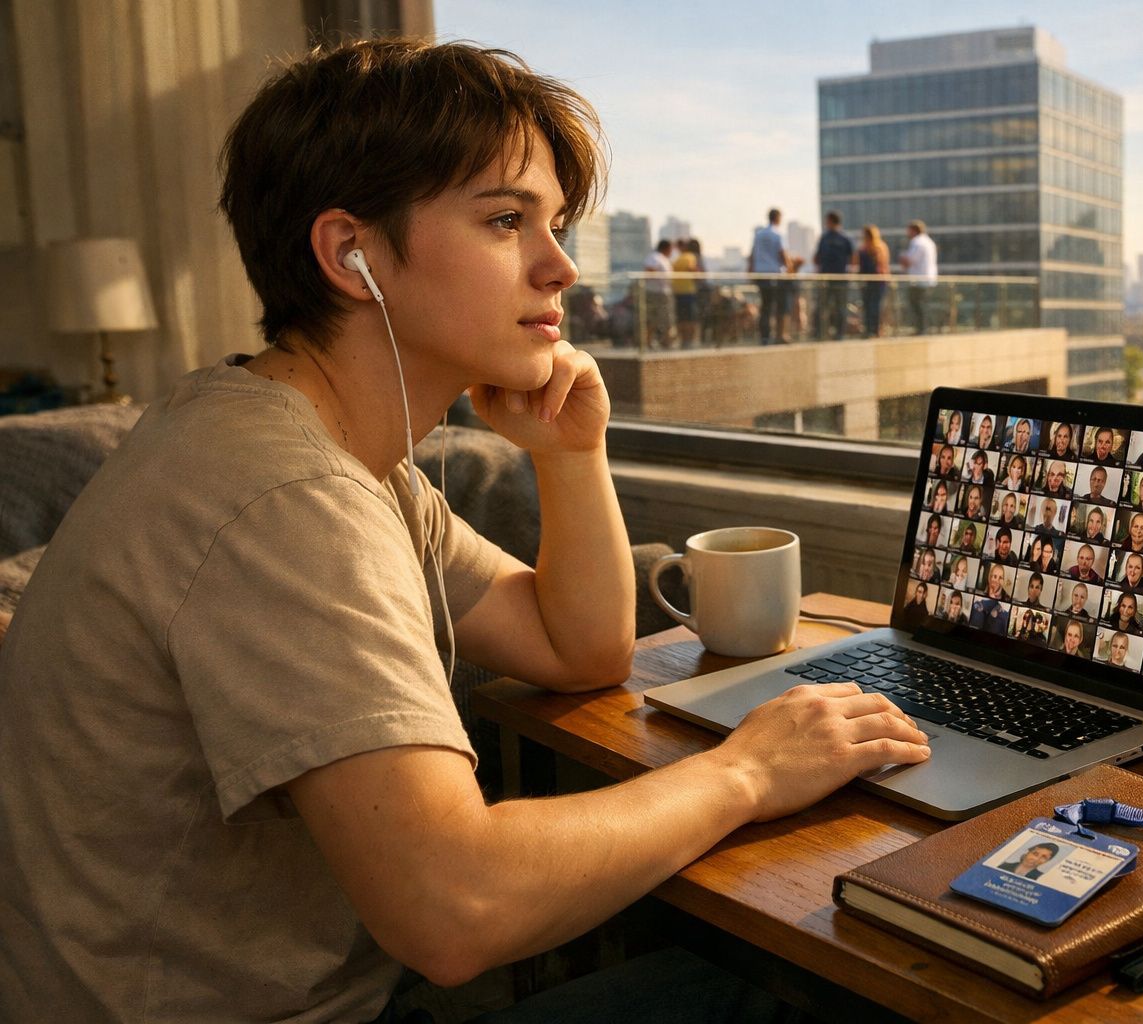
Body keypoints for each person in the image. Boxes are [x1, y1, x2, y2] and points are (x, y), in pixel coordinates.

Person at [0, 39, 934, 1023]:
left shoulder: (323, 450)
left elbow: (577, 647)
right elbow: (455, 908)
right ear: (350, 254)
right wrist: (747, 771)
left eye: (555, 224)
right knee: (809, 996)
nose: (560, 266)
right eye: (505, 220)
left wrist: (570, 454)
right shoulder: (284, 496)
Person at [749, 207, 789, 344]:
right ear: (778, 218)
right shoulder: (778, 235)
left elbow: (752, 255)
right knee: (779, 306)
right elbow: (783, 254)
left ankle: (764, 337)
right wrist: (789, 268)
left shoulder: (759, 235)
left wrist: (751, 272)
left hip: (761, 274)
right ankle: (779, 335)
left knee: (765, 307)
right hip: (774, 275)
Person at [812, 210, 854, 340]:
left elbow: (853, 257)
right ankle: (825, 333)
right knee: (826, 306)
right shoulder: (839, 238)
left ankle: (831, 334)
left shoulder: (836, 238)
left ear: (830, 221)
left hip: (836, 278)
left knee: (835, 307)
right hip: (831, 278)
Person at [899, 219, 938, 334]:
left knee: (917, 305)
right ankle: (924, 328)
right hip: (928, 278)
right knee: (922, 304)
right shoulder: (929, 242)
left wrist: (902, 258)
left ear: (914, 230)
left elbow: (910, 260)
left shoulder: (917, 242)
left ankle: (921, 329)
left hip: (918, 280)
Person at [642, 238, 676, 348]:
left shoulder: (664, 259)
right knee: (653, 318)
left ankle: (666, 341)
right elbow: (649, 270)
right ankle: (649, 342)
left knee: (665, 318)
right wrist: (659, 279)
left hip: (663, 292)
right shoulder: (654, 257)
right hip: (655, 293)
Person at [857, 224, 890, 338]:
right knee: (867, 307)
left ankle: (875, 330)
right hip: (866, 282)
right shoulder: (862, 249)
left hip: (877, 282)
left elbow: (882, 266)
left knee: (875, 307)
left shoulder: (879, 248)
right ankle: (868, 329)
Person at [671, 237, 701, 347]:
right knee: (684, 317)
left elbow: (692, 269)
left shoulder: (688, 257)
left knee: (687, 317)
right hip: (681, 292)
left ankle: (688, 340)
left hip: (686, 292)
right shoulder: (681, 257)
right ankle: (685, 340)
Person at [968, 565, 1010, 634]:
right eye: (995, 576)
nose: (997, 581)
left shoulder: (1007, 601)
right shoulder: (979, 598)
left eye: (1000, 578)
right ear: (990, 578)